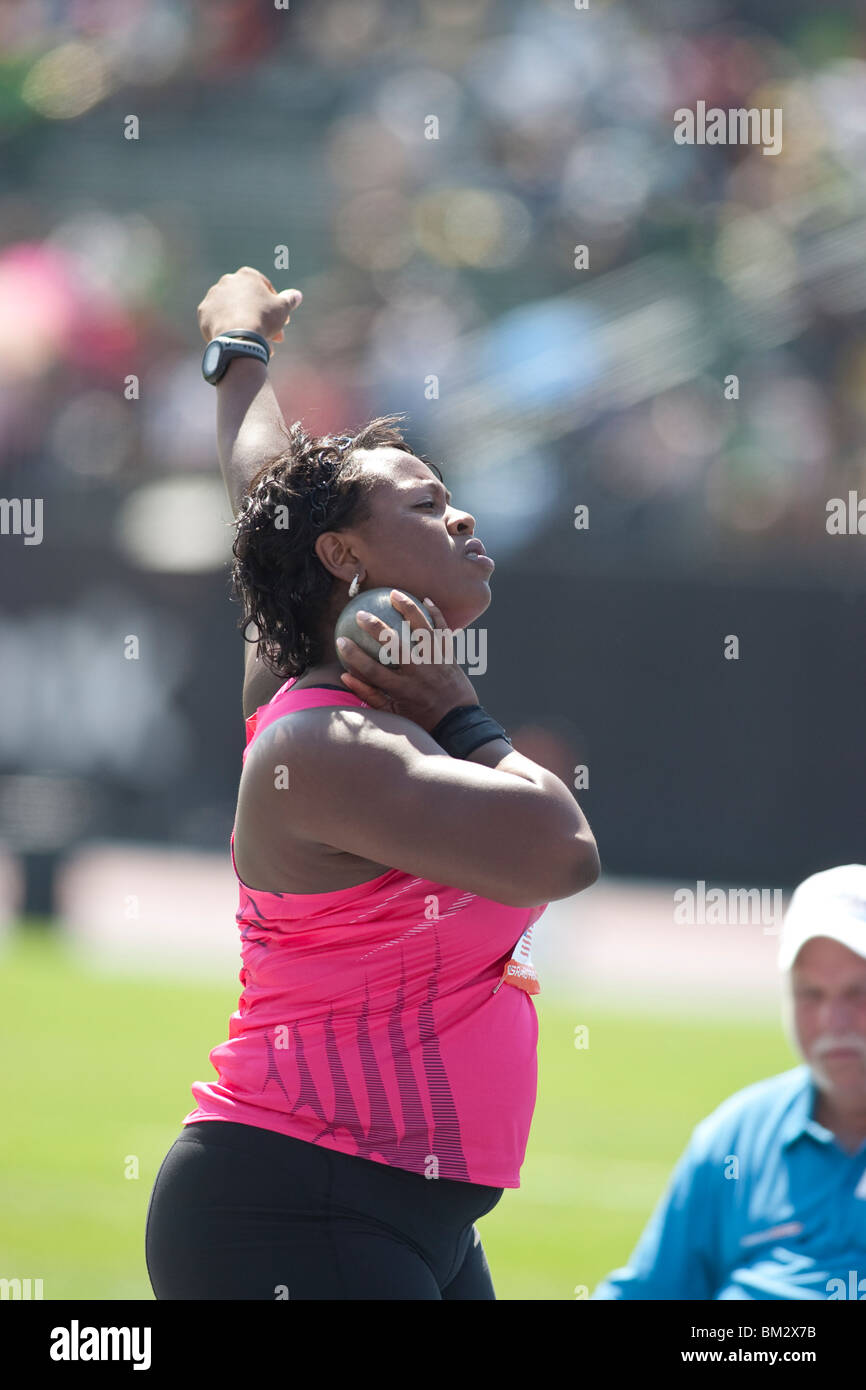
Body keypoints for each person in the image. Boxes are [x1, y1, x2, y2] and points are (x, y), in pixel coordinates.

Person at [144, 266, 600, 1300]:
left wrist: (237, 349)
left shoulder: (307, 667)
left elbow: (261, 476)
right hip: (296, 1207)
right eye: (428, 504)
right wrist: (461, 715)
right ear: (343, 554)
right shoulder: (335, 747)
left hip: (405, 1211)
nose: (464, 518)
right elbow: (561, 851)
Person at [592, 863, 866, 1301]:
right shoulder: (738, 1133)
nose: (834, 1021)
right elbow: (649, 1291)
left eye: (859, 991)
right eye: (810, 993)